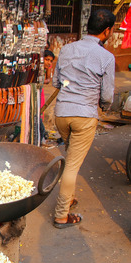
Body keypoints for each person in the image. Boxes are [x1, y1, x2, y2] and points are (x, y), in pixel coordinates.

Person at [52, 9, 115, 229]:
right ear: (107, 31)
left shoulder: (67, 49)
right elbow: (107, 96)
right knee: (72, 166)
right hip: (84, 116)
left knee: (71, 157)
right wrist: (104, 107)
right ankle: (61, 215)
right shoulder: (106, 57)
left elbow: (57, 83)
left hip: (61, 114)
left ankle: (67, 198)